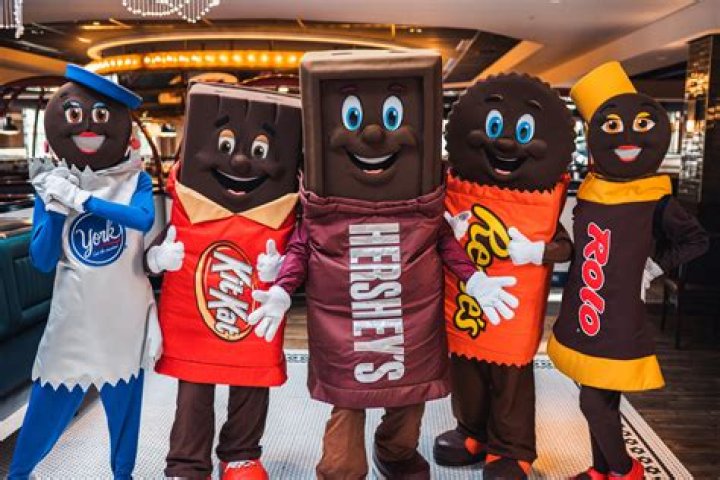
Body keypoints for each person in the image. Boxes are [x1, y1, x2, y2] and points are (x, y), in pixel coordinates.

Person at [250, 49, 518, 480]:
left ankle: (394, 451)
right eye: (354, 119)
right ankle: (341, 470)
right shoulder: (322, 212)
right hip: (349, 324)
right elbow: (301, 248)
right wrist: (282, 288)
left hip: (409, 323)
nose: (373, 134)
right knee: (349, 401)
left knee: (409, 394)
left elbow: (444, 243)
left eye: (392, 117)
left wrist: (475, 280)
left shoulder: (423, 209)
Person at [548, 61, 709, 480]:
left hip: (620, 317)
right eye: (612, 126)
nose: (626, 139)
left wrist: (653, 267)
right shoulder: (592, 189)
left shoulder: (656, 198)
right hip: (586, 305)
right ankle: (601, 470)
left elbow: (697, 240)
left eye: (637, 125)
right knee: (601, 398)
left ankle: (624, 471)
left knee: (591, 401)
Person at [9, 64, 159, 480]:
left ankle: (123, 475)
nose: (88, 126)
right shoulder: (52, 184)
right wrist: (57, 208)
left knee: (125, 409)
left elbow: (142, 220)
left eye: (100, 115)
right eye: (75, 114)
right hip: (73, 317)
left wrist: (83, 200)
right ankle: (19, 474)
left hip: (124, 317)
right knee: (48, 402)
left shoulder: (135, 180)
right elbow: (42, 260)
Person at [145, 83, 302, 480]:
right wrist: (158, 258)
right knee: (195, 384)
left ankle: (241, 454)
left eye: (260, 152)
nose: (243, 162)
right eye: (227, 146)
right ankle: (187, 461)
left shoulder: (285, 212)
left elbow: (304, 254)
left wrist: (281, 272)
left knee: (252, 378)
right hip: (193, 315)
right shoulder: (187, 203)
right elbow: (152, 253)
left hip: (253, 310)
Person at [434, 73, 576, 480]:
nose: (508, 144)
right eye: (495, 127)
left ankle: (511, 448)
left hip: (513, 311)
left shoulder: (540, 200)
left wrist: (536, 251)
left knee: (510, 379)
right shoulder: (454, 187)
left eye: (523, 132)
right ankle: (472, 430)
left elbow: (565, 247)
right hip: (465, 305)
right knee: (464, 368)